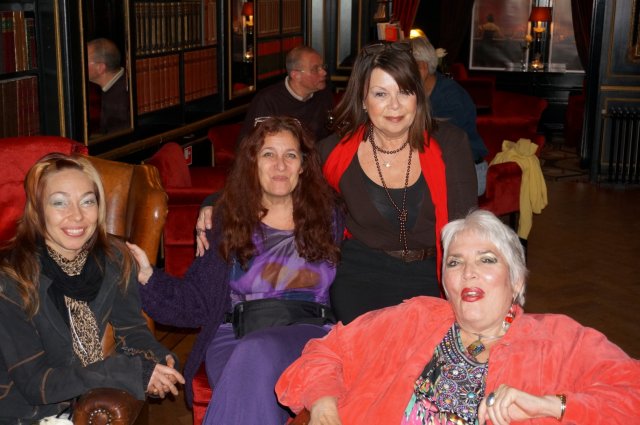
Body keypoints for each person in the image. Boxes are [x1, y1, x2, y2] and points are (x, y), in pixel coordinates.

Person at [196, 42, 476, 325]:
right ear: (363, 100)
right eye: (380, 94)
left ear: (418, 96)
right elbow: (277, 180)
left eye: (404, 92)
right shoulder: (335, 152)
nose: (394, 105)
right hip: (361, 280)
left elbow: (465, 225)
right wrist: (214, 204)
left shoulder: (450, 143)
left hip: (433, 277)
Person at [275, 209, 640, 424]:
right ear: (445, 283)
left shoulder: (558, 340)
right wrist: (324, 405)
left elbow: (632, 394)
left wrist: (551, 405)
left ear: (516, 280)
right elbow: (327, 351)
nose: (468, 273)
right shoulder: (413, 319)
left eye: (486, 260)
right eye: (455, 262)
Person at [127, 116, 343, 424]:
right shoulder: (227, 221)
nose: (280, 165)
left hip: (310, 336)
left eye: (290, 155)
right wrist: (148, 277)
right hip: (236, 335)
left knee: (256, 353)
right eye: (268, 154)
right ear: (252, 163)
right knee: (252, 362)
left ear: (303, 166)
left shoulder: (330, 216)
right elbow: (196, 303)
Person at [0, 154, 184, 422]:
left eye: (88, 201)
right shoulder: (11, 278)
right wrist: (127, 372)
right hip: (22, 413)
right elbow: (37, 384)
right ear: (38, 211)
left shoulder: (114, 259)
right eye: (59, 202)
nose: (77, 215)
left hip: (76, 405)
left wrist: (158, 360)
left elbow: (131, 331)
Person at [409, 36, 489, 196]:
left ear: (422, 67)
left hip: (468, 172)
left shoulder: (450, 97)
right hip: (446, 166)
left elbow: (440, 145)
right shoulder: (422, 91)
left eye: (405, 68)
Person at [237, 46, 334, 143]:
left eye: (323, 67)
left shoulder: (323, 94)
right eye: (315, 69)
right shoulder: (268, 100)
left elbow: (328, 135)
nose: (324, 72)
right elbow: (252, 144)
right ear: (296, 75)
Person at [87, 38, 130, 134]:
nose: (80, 64)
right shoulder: (117, 83)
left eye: (85, 60)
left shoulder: (120, 102)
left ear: (100, 68)